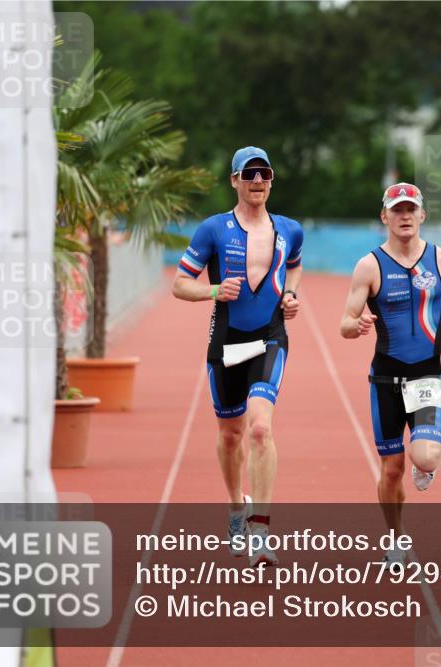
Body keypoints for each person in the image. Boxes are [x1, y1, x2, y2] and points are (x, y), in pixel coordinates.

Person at [172, 146, 303, 568]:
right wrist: (212, 291)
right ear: (234, 181)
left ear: (272, 180)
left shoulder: (289, 230)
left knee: (261, 429)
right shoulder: (213, 229)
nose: (257, 181)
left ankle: (262, 530)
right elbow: (179, 284)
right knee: (231, 435)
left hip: (270, 337)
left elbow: (294, 267)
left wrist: (291, 293)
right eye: (249, 175)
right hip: (227, 341)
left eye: (264, 174)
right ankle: (236, 507)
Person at [340, 182, 441, 563]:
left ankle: (425, 463)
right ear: (384, 216)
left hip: (426, 378)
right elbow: (345, 322)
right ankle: (397, 538)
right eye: (397, 210)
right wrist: (357, 325)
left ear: (422, 215)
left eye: (410, 209)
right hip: (385, 380)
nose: (404, 216)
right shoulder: (369, 265)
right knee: (391, 470)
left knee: (426, 459)